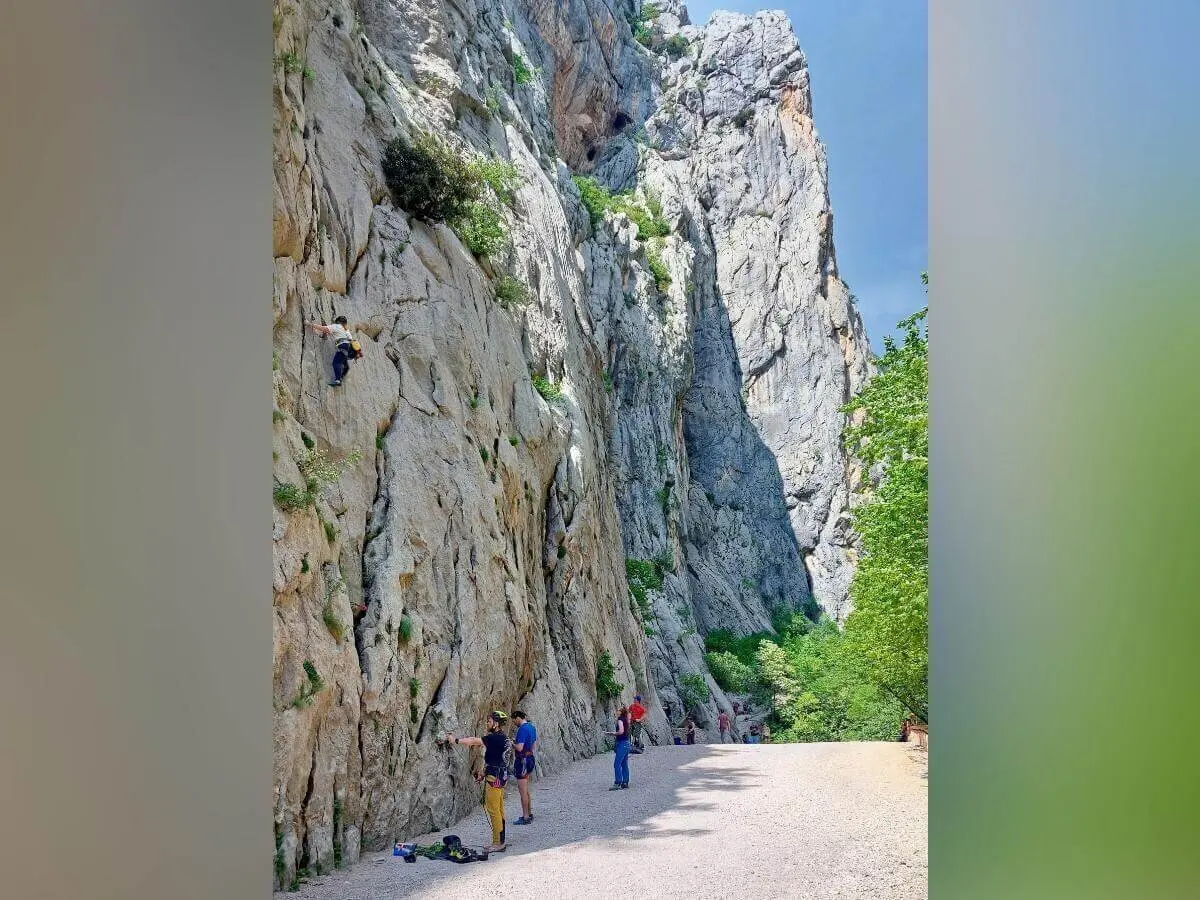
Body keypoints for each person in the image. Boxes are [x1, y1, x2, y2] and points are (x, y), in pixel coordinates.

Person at [444, 711, 511, 852]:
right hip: (500, 777)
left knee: (493, 810)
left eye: (489, 721)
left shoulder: (494, 738)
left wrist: (455, 740)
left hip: (494, 778)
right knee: (499, 809)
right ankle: (501, 840)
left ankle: (498, 843)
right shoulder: (504, 739)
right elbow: (496, 759)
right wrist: (483, 774)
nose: (487, 723)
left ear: (496, 723)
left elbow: (474, 741)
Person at [307, 316, 362, 387]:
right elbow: (347, 338)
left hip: (344, 346)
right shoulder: (346, 329)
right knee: (343, 362)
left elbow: (324, 328)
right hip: (351, 350)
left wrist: (310, 324)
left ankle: (338, 380)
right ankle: (342, 374)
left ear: (338, 322)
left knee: (336, 363)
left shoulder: (336, 326)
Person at [510, 710, 537, 825]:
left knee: (522, 791)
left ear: (517, 718)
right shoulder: (531, 727)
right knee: (526, 789)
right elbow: (534, 744)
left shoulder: (522, 729)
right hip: (530, 758)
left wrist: (512, 744)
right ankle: (529, 813)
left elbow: (519, 747)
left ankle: (525, 817)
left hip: (522, 761)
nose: (514, 723)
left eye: (514, 720)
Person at [605, 705, 632, 790]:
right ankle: (625, 782)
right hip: (627, 743)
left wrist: (612, 733)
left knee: (617, 764)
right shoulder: (626, 719)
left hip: (622, 743)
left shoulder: (620, 719)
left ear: (620, 712)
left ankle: (617, 782)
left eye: (618, 710)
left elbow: (621, 731)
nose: (616, 711)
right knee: (624, 764)